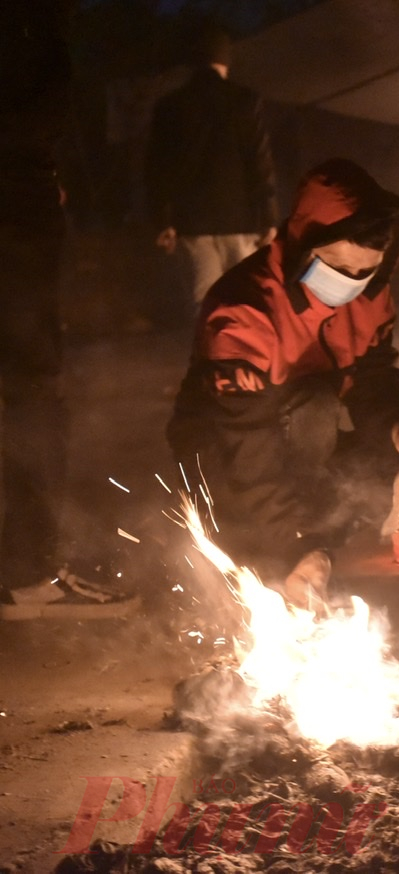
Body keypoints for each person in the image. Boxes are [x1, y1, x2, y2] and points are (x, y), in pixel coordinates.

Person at [167, 158, 399, 607]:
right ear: (302, 244)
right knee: (314, 409)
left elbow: (374, 378)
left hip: (308, 440)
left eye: (363, 272)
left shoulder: (368, 295)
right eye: (337, 268)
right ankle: (282, 549)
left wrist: (397, 426)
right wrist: (295, 548)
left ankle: (318, 539)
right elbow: (247, 447)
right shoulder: (243, 312)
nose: (351, 285)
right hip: (226, 452)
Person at [0, 1, 138, 620]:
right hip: (13, 203)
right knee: (30, 390)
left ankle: (25, 565)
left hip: (22, 194)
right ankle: (27, 572)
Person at [145, 21, 278, 308]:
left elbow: (158, 170)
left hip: (192, 225)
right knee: (246, 305)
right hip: (241, 222)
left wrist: (163, 220)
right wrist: (268, 216)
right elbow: (259, 161)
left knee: (207, 308)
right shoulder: (245, 101)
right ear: (225, 60)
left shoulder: (170, 106)